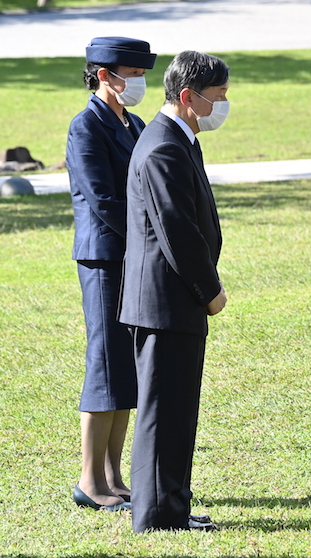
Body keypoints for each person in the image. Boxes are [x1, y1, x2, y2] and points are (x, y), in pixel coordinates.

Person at [119, 50, 229, 532]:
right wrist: (211, 290)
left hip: (170, 303)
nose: (224, 105)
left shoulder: (178, 136)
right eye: (218, 97)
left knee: (175, 412)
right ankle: (160, 517)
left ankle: (171, 508)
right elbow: (177, 231)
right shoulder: (163, 145)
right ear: (188, 97)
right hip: (166, 302)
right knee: (164, 415)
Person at [66, 36, 157, 512]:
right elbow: (103, 202)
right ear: (104, 74)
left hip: (132, 258)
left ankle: (114, 477)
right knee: (104, 365)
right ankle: (89, 481)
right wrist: (148, 232)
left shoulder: (134, 122)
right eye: (133, 74)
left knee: (125, 367)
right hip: (104, 260)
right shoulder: (86, 126)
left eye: (143, 75)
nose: (139, 83)